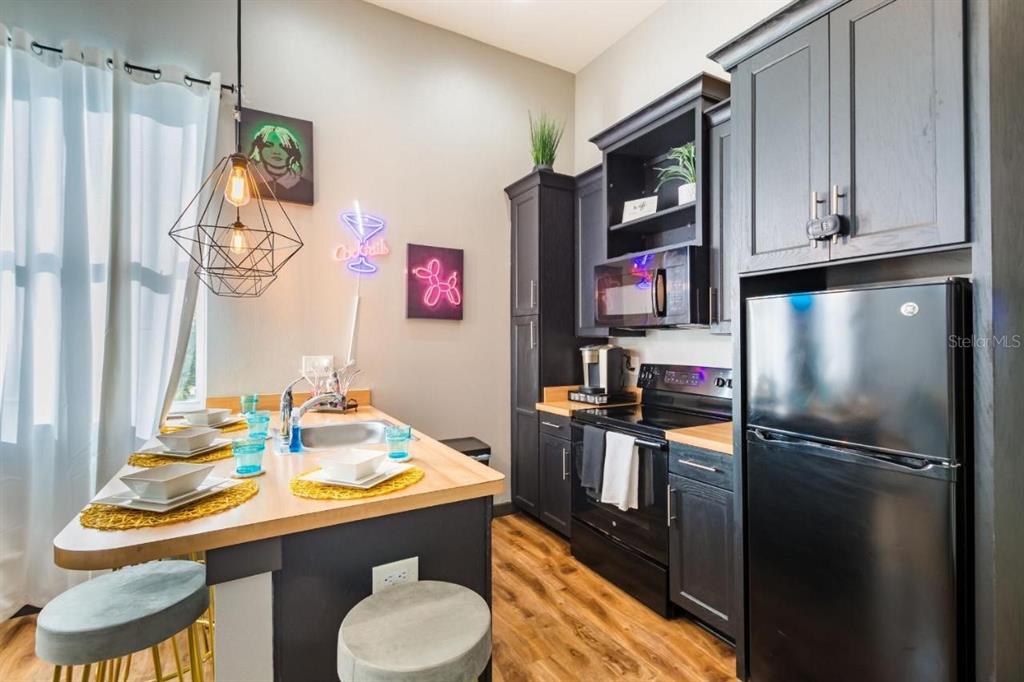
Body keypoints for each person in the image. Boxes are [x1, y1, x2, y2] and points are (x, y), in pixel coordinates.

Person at [248, 124, 313, 204]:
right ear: (259, 148)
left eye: (283, 147)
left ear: (292, 152)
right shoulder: (249, 182)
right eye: (269, 145)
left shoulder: (306, 187)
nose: (276, 151)